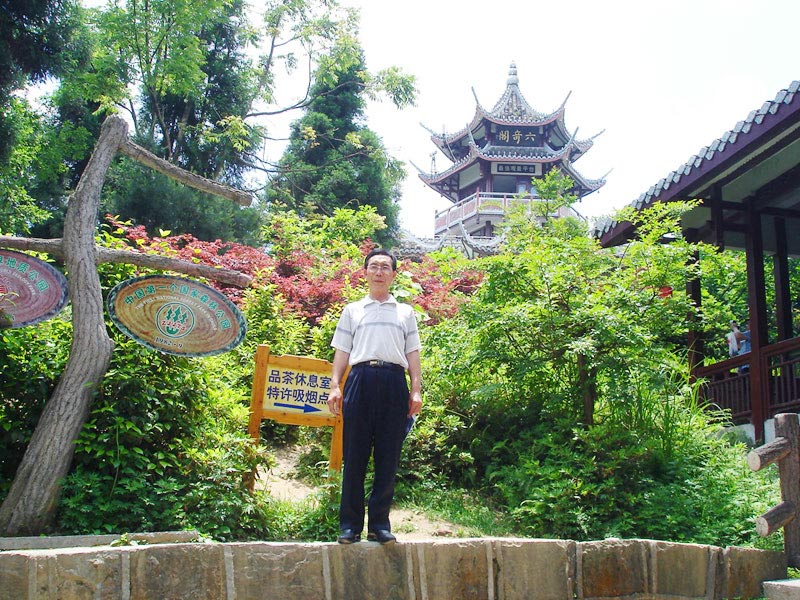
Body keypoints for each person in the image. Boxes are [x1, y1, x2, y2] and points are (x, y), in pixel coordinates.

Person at [327, 249, 422, 545]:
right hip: (360, 380)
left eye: (385, 267)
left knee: (387, 457)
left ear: (393, 274)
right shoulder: (353, 310)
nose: (379, 272)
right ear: (365, 272)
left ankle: (379, 525)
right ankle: (350, 526)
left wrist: (416, 389)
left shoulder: (405, 312)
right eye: (374, 266)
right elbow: (342, 351)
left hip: (394, 382)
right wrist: (335, 385)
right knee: (354, 455)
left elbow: (412, 353)